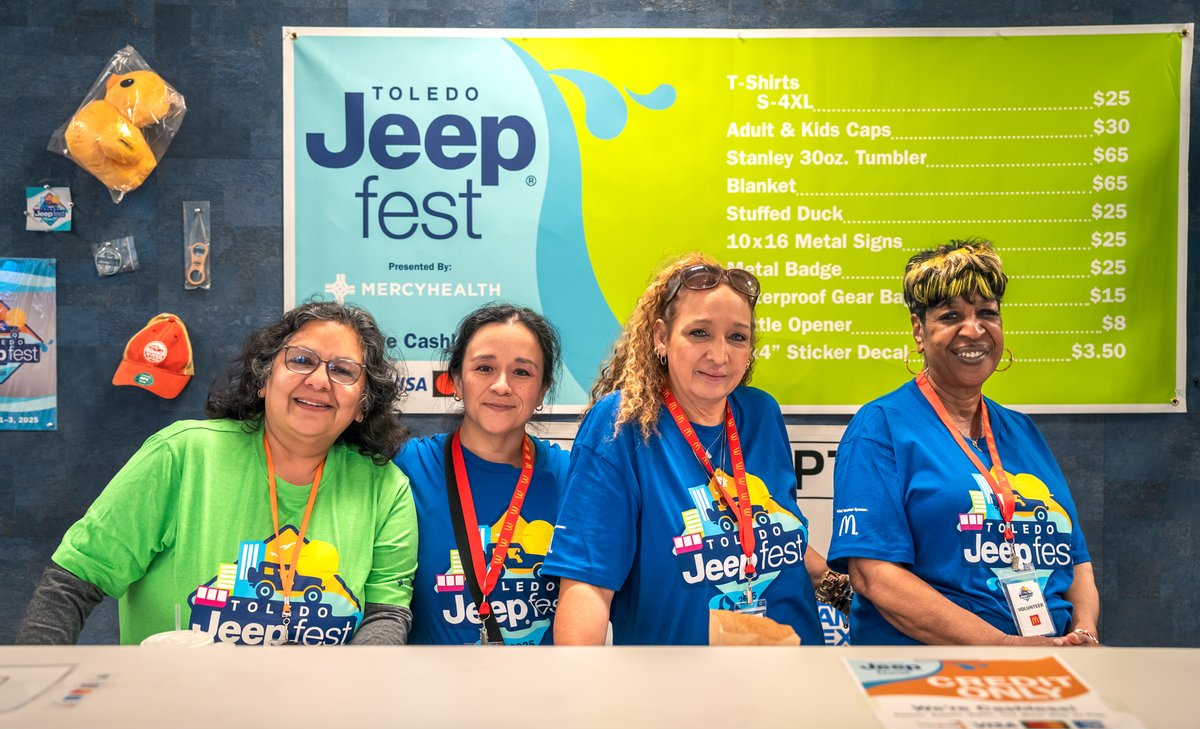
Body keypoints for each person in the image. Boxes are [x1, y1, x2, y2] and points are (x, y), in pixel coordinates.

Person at [17, 301, 418, 646]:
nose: (318, 380)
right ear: (264, 380)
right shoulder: (183, 454)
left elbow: (385, 616)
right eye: (301, 360)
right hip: (171, 721)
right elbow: (71, 584)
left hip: (316, 722)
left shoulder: (385, 490)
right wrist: (34, 697)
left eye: (344, 371)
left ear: (363, 404)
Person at [545, 253, 833, 645]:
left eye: (737, 336)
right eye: (699, 333)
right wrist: (579, 692)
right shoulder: (622, 425)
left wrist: (841, 589)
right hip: (678, 692)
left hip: (794, 674)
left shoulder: (760, 412)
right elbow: (588, 585)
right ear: (662, 337)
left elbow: (774, 527)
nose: (719, 355)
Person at [828, 240, 1101, 646]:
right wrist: (1005, 647)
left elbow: (1077, 561)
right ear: (919, 331)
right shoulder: (881, 426)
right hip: (932, 674)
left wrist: (1083, 632)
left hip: (1048, 659)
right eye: (951, 315)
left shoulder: (1022, 430)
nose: (973, 330)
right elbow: (874, 576)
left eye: (987, 313)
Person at [394, 304, 568, 645]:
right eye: (485, 368)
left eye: (522, 373)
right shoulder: (407, 468)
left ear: (542, 390)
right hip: (434, 694)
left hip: (547, 694)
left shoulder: (573, 477)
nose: (502, 385)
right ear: (457, 381)